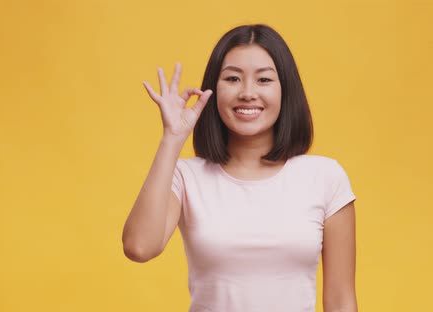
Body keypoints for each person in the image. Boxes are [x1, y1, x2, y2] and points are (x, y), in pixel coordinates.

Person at [122, 24, 358, 312]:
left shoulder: (325, 177)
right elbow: (139, 247)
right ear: (213, 89)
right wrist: (172, 138)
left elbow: (340, 301)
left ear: (286, 89)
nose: (247, 93)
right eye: (233, 78)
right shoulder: (187, 176)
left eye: (264, 80)